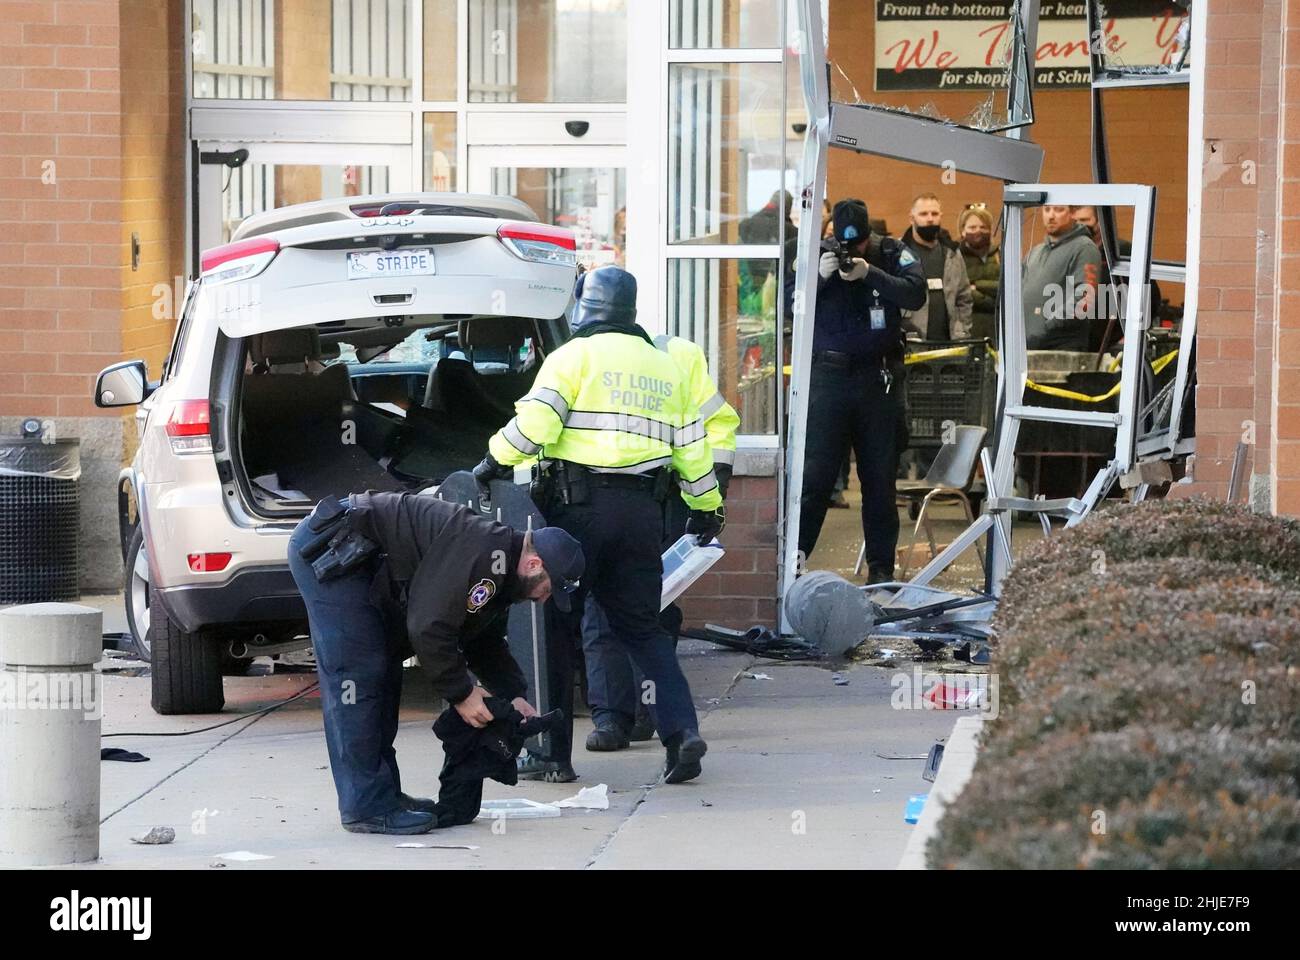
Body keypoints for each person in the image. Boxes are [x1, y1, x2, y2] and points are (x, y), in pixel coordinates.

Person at [473, 265, 724, 785]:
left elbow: (536, 425)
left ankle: (552, 756)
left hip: (577, 512)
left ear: (585, 309)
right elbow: (693, 453)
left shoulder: (572, 356)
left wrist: (491, 462)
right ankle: (681, 736)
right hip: (642, 514)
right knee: (644, 630)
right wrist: (706, 507)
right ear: (631, 311)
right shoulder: (664, 368)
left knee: (558, 632)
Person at [287, 491, 585, 834]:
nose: (544, 598)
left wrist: (512, 694)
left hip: (358, 553)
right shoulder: (486, 554)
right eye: (550, 588)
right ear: (534, 565)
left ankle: (384, 796)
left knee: (382, 670)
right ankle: (366, 806)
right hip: (334, 548)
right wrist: (462, 693)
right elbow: (429, 627)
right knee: (360, 674)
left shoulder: (500, 570)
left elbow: (482, 640)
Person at [581, 332, 740, 750]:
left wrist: (708, 492)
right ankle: (616, 716)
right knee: (616, 610)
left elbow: (717, 424)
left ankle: (640, 713)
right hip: (618, 498)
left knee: (649, 605)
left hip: (664, 496)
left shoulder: (675, 354)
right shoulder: (583, 351)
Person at [799, 198, 927, 583]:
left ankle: (881, 570)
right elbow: (788, 303)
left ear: (868, 237)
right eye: (843, 246)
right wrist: (816, 279)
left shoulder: (890, 252)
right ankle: (794, 559)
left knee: (879, 480)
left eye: (856, 247)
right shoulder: (813, 254)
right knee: (815, 479)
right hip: (830, 379)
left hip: (878, 380)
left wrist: (870, 274)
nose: (849, 254)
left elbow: (915, 293)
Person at [1023, 205, 1103, 351]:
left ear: (1072, 213)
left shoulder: (1085, 248)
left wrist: (1048, 326)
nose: (1051, 216)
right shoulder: (1034, 252)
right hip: (1028, 345)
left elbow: (1085, 298)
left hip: (1062, 347)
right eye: (1047, 210)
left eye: (1058, 210)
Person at [899, 193, 973, 342]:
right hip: (911, 341)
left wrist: (963, 329)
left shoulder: (952, 253)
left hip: (951, 341)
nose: (930, 218)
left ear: (941, 216)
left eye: (934, 213)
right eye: (923, 214)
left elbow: (964, 297)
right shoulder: (898, 253)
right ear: (911, 218)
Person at [958, 203, 1000, 342]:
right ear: (963, 231)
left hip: (997, 329)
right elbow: (959, 292)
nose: (978, 231)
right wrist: (990, 298)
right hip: (967, 330)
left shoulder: (1000, 255)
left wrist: (977, 285)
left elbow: (1007, 289)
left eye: (983, 227)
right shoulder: (955, 257)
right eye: (972, 227)